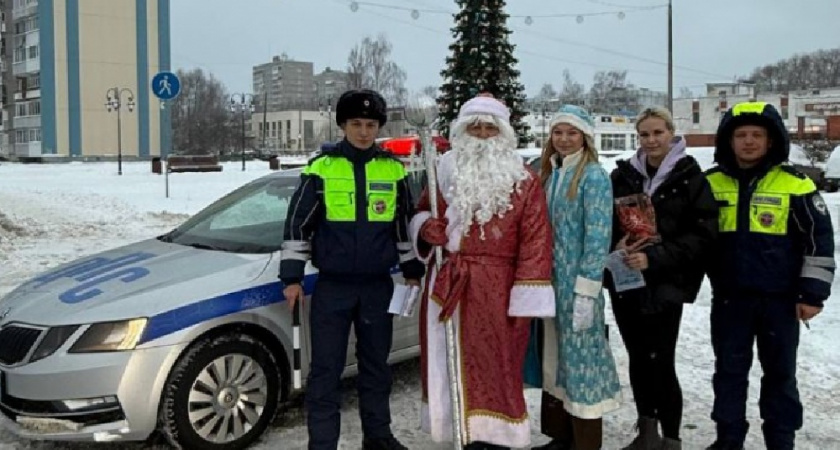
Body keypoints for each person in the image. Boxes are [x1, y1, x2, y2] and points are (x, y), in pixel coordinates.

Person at [278, 88, 425, 450]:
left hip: (378, 286)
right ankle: (323, 443)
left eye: (371, 124)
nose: (363, 131)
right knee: (326, 371)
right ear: (343, 125)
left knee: (376, 367)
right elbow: (298, 226)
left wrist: (411, 270)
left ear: (379, 127)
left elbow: (402, 226)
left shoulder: (392, 169)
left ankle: (378, 436)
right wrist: (292, 278)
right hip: (333, 288)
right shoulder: (321, 169)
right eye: (356, 123)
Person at [409, 95, 556, 449]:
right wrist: (426, 228)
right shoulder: (442, 170)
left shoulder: (524, 180)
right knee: (449, 361)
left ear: (503, 132)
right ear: (462, 130)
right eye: (475, 126)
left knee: (498, 366)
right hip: (449, 279)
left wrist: (526, 294)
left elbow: (536, 239)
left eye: (490, 126)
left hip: (500, 288)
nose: (482, 132)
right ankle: (460, 430)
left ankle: (496, 437)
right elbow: (423, 211)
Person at [704, 102, 835, 450]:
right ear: (728, 141)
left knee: (780, 376)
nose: (748, 142)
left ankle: (781, 439)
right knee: (729, 373)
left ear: (771, 140)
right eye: (741, 135)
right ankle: (728, 438)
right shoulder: (709, 183)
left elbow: (818, 242)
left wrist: (812, 294)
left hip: (781, 301)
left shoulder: (796, 185)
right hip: (731, 301)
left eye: (757, 135)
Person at [605, 107, 718, 450]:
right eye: (644, 134)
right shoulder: (623, 176)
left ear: (671, 133)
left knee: (661, 361)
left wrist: (653, 258)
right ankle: (647, 433)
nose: (651, 141)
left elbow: (702, 235)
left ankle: (671, 439)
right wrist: (617, 245)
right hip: (627, 281)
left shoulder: (690, 177)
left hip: (666, 281)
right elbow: (605, 223)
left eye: (658, 133)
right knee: (638, 359)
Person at [525, 104, 621, 450]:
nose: (564, 140)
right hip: (550, 284)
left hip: (577, 286)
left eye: (572, 133)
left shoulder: (593, 176)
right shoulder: (549, 173)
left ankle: (585, 442)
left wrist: (586, 290)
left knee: (582, 363)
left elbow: (598, 236)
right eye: (558, 132)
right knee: (555, 359)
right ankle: (560, 436)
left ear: (585, 137)